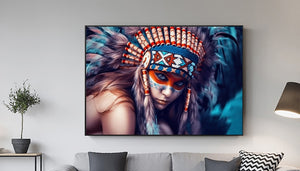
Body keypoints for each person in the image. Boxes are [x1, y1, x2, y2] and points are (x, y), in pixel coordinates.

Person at [85, 26, 242, 135]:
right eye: (161, 77)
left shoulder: (166, 114)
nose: (168, 92)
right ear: (142, 72)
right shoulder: (118, 104)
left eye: (178, 83)